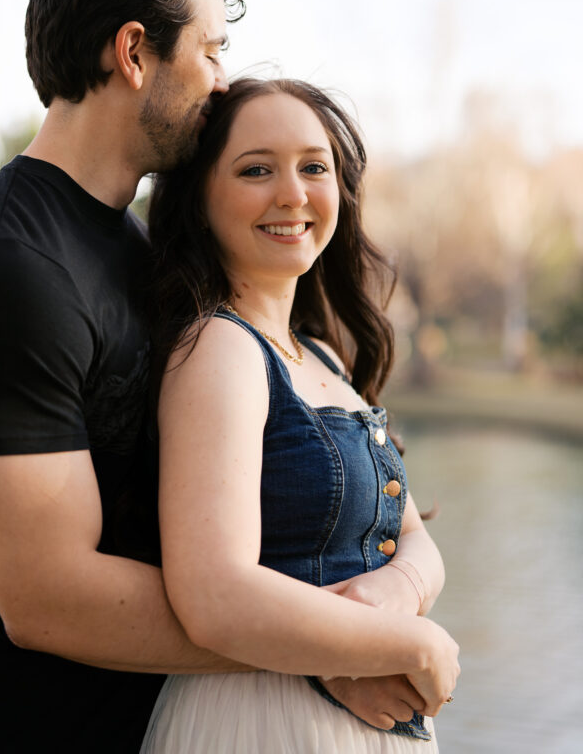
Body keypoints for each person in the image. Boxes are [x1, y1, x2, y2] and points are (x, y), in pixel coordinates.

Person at [0, 0, 250, 754]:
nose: (223, 83)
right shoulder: (3, 266)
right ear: (133, 54)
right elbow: (50, 597)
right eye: (211, 50)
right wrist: (307, 646)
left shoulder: (132, 247)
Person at [141, 76, 460, 752]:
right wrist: (412, 643)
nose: (292, 194)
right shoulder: (220, 349)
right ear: (201, 198)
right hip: (262, 722)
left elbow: (414, 537)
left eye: (313, 167)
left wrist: (394, 599)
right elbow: (215, 593)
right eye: (257, 169)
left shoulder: (320, 354)